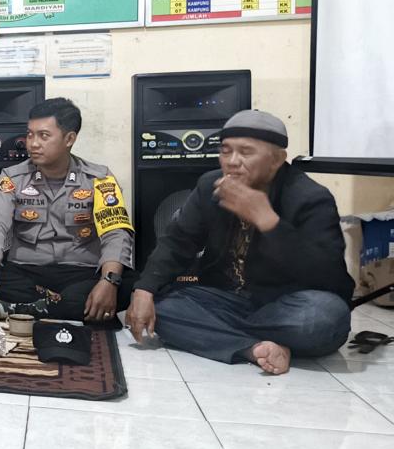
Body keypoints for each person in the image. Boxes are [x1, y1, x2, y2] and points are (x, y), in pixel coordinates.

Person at [127, 110, 353, 375]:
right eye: (225, 151)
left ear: (277, 159)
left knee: (323, 318)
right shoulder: (210, 186)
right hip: (226, 298)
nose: (232, 162)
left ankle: (218, 333)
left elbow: (331, 278)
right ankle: (253, 348)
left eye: (246, 152)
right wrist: (144, 290)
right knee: (159, 307)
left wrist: (268, 221)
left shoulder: (311, 198)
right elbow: (178, 242)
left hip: (284, 304)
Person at [0, 97, 135, 322]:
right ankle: (60, 307)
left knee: (128, 283)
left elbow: (115, 233)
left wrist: (108, 282)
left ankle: (21, 309)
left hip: (81, 272)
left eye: (43, 136)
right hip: (26, 271)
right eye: (30, 135)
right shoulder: (12, 178)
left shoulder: (100, 178)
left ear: (69, 139)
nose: (33, 144)